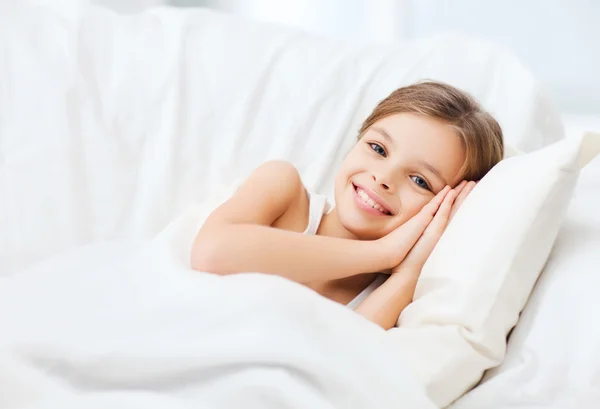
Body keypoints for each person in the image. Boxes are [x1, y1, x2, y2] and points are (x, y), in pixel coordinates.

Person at [191, 81, 504, 330]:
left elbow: (338, 367)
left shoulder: (397, 296)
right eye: (378, 148)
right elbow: (212, 253)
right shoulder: (284, 193)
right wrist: (382, 252)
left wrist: (407, 274)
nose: (383, 177)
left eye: (420, 181)